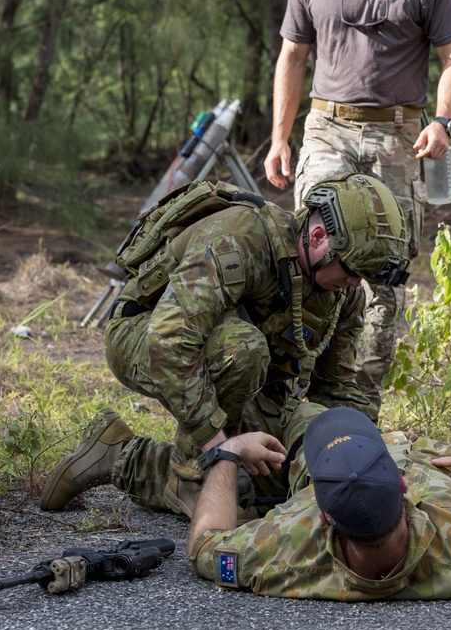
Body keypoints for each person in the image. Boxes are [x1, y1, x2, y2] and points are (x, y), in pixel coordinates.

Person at [39, 173, 411, 516]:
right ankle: (190, 476)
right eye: (349, 273)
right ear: (318, 239)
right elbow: (170, 341)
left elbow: (337, 389)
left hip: (243, 369)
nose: (352, 286)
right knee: (242, 350)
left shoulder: (342, 294)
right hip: (144, 334)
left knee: (275, 474)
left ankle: (119, 454)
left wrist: (360, 457)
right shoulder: (240, 239)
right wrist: (218, 451)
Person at [262, 0, 451, 412]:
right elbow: (292, 57)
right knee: (312, 248)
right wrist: (279, 138)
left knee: (384, 264)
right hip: (327, 126)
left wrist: (441, 121)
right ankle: (289, 387)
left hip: (398, 134)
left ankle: (358, 403)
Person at [187, 406, 451, 599]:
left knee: (306, 414)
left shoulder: (282, 545)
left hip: (320, 458)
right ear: (402, 484)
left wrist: (229, 453)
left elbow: (205, 542)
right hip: (445, 468)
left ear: (324, 515)